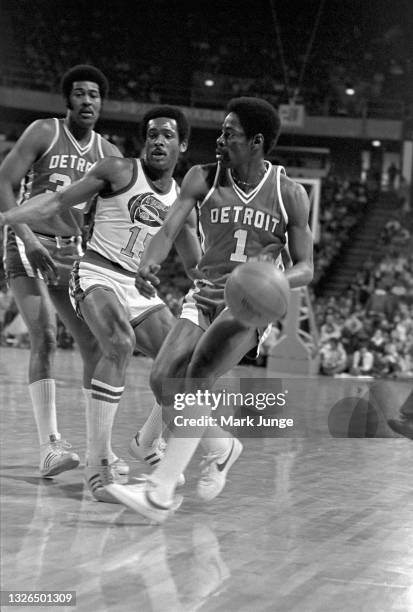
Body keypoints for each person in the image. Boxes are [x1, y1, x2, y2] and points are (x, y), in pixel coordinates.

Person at [105, 96, 314, 522]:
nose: (219, 139)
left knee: (196, 379)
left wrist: (276, 280)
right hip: (202, 296)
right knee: (164, 381)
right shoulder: (202, 176)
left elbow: (307, 267)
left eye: (229, 133)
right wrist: (152, 259)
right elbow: (170, 226)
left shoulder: (289, 193)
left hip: (248, 307)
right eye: (221, 131)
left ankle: (160, 492)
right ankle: (221, 447)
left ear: (255, 141)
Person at [0, 105, 201, 501]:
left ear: (183, 144)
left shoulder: (181, 200)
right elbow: (56, 202)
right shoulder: (118, 170)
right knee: (119, 343)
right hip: (94, 272)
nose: (158, 141)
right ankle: (97, 468)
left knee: (182, 363)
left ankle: (146, 441)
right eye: (152, 134)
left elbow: (196, 265)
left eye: (167, 135)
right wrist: (9, 217)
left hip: (137, 287)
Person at [0, 65, 122, 478]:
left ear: (102, 104)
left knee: (93, 342)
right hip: (27, 238)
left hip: (72, 251)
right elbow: (4, 183)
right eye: (80, 94)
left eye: (94, 95)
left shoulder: (109, 155)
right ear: (67, 100)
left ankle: (98, 449)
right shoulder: (43, 132)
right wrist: (30, 242)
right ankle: (50, 446)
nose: (87, 101)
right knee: (46, 336)